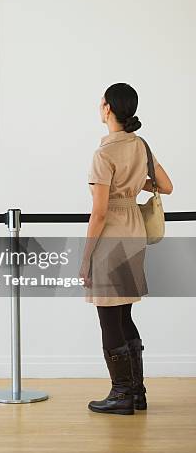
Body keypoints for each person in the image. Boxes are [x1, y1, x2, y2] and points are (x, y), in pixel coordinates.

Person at [79, 83, 173, 415]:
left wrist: (86, 257)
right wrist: (135, 183)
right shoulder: (141, 146)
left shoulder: (103, 154)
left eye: (101, 102)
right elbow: (166, 186)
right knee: (124, 314)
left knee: (109, 318)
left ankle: (121, 395)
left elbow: (100, 211)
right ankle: (136, 392)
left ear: (108, 109)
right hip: (134, 233)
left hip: (111, 238)